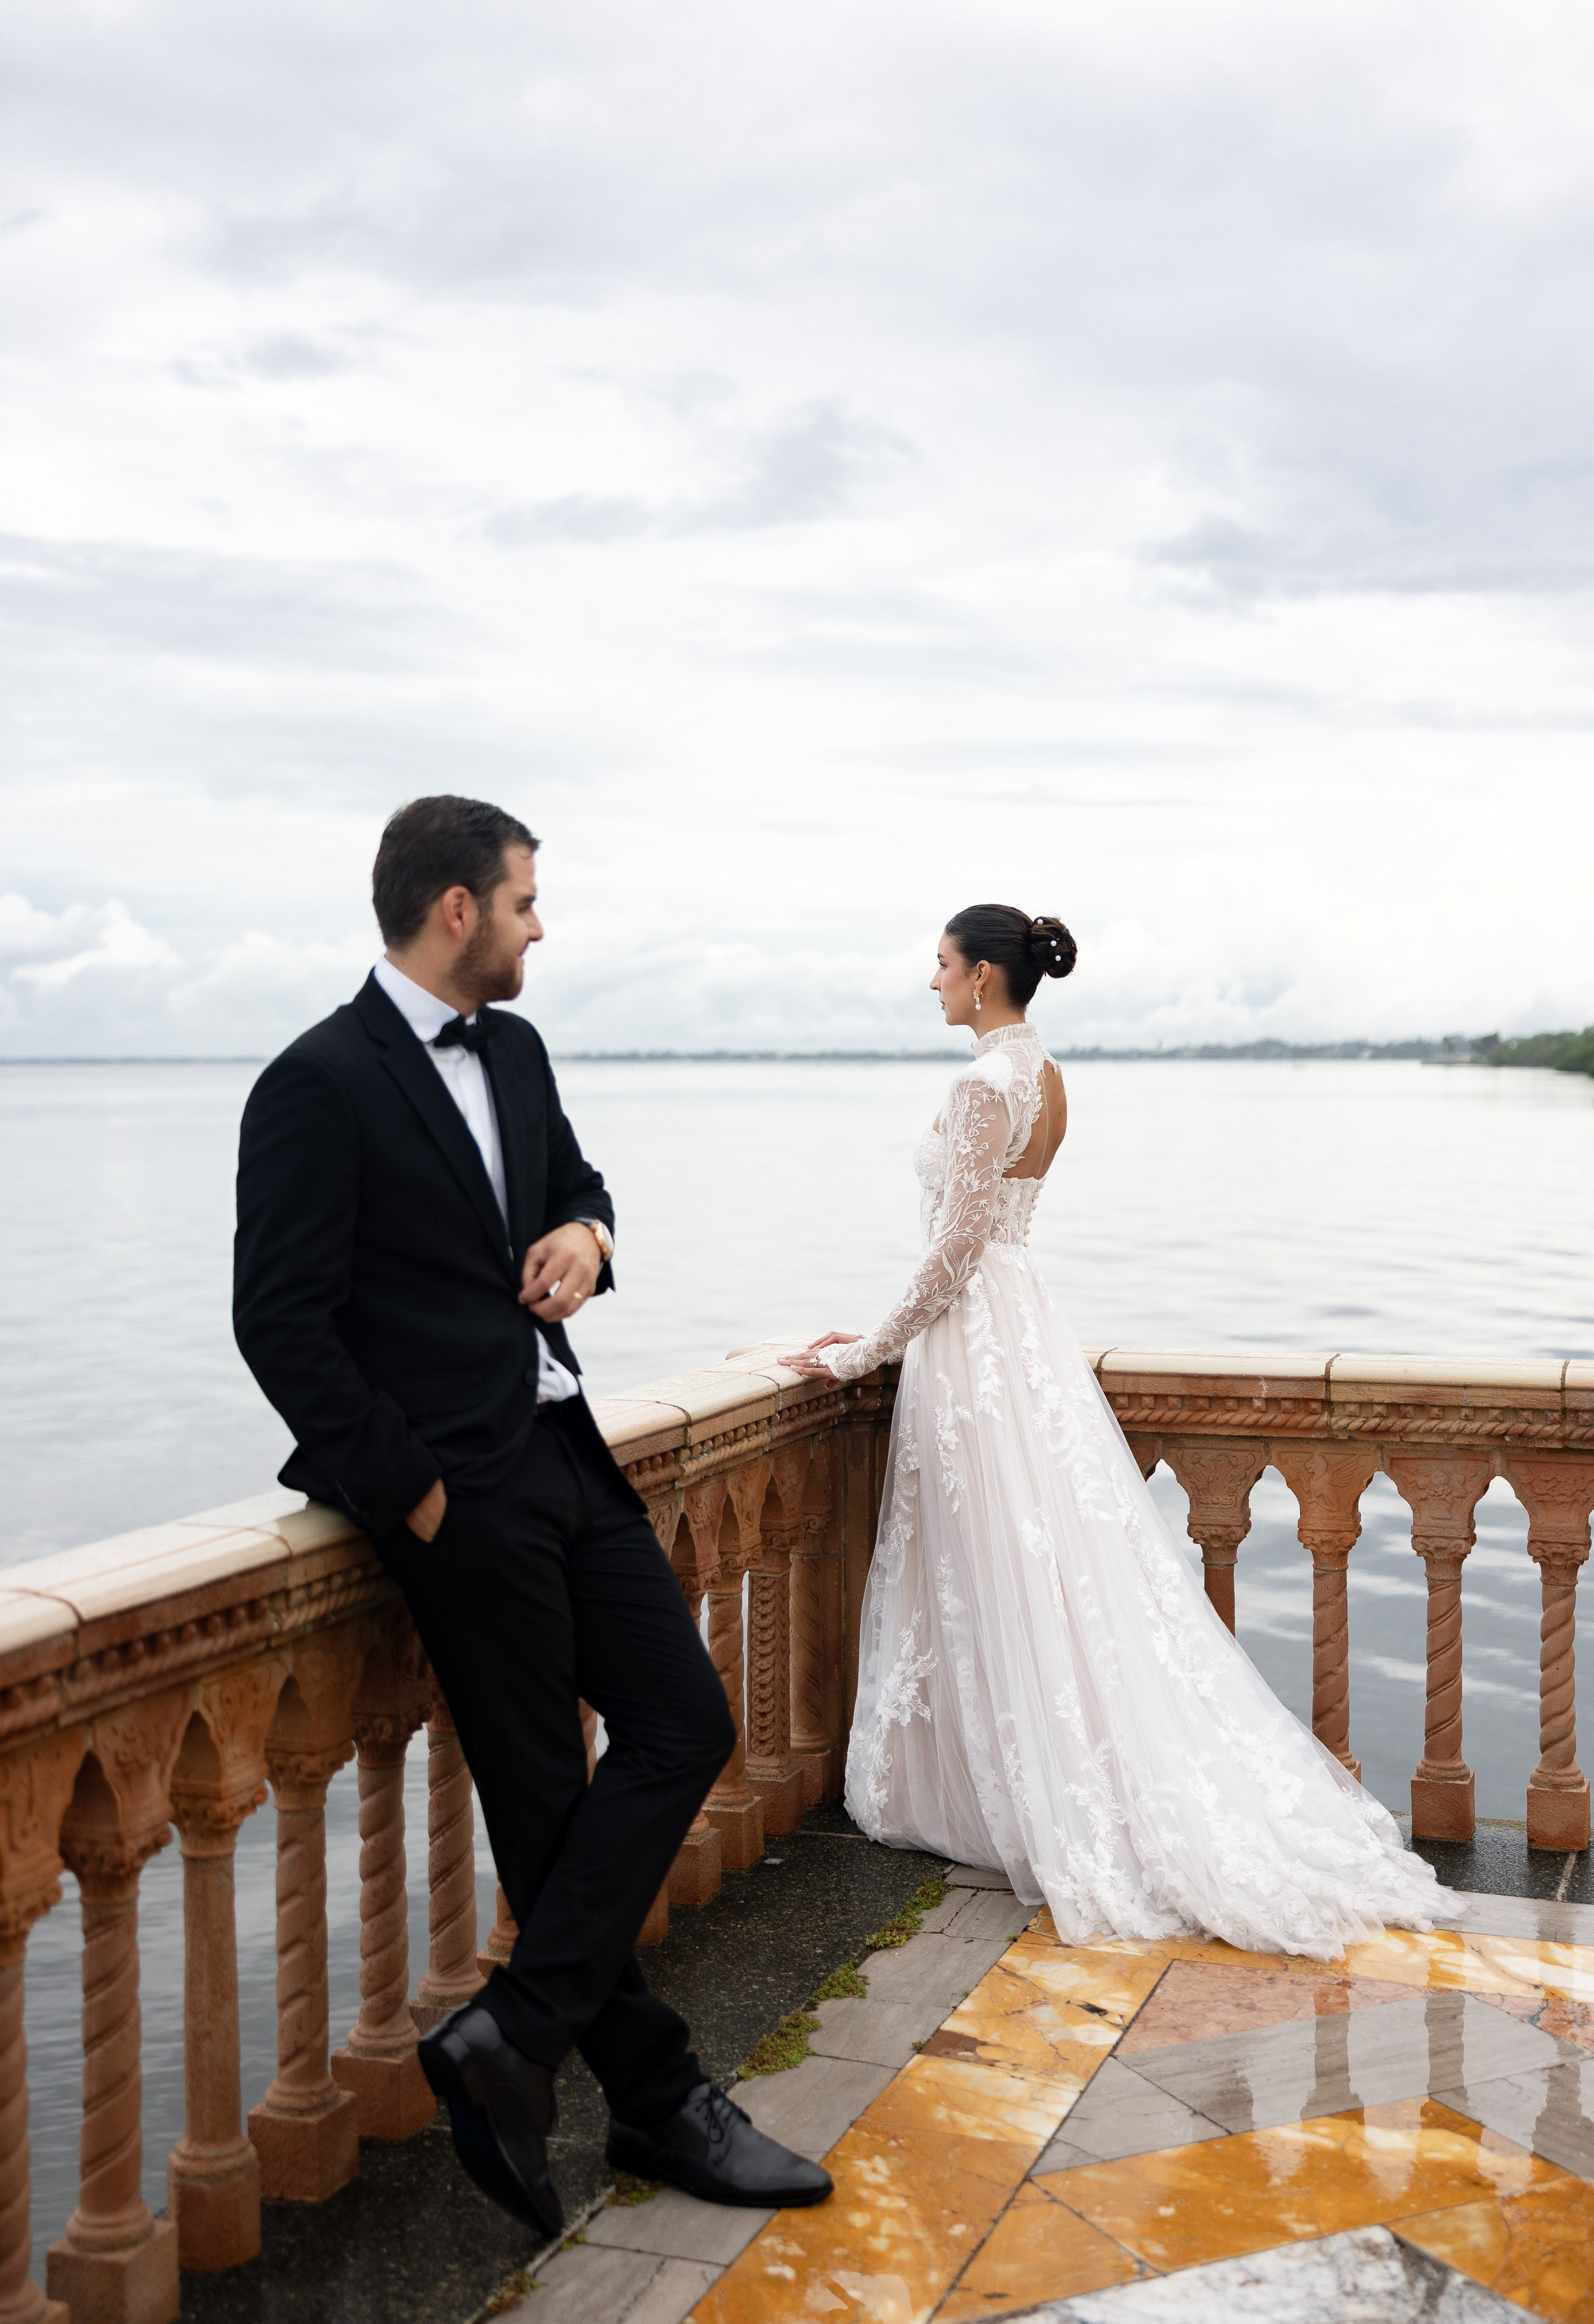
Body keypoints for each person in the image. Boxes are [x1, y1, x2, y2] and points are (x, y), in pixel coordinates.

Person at [234, 794, 830, 2239]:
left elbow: (575, 1189)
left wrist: (589, 1236)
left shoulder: (516, 1049)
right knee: (546, 1798)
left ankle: (513, 2033)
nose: (538, 927)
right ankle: (659, 2098)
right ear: (457, 908)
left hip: (568, 1450)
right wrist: (413, 1489)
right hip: (454, 1497)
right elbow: (278, 1320)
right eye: (523, 902)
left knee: (686, 1721)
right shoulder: (315, 1081)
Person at [781, 904, 1461, 1959]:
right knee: (1039, 1569)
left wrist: (863, 1350)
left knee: (996, 1566)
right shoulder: (1048, 1078)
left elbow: (956, 1248)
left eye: (943, 965)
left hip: (974, 1345)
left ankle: (1021, 1793)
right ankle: (1017, 1778)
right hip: (1020, 1330)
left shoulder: (980, 1087)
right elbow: (989, 1237)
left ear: (984, 976)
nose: (934, 982)